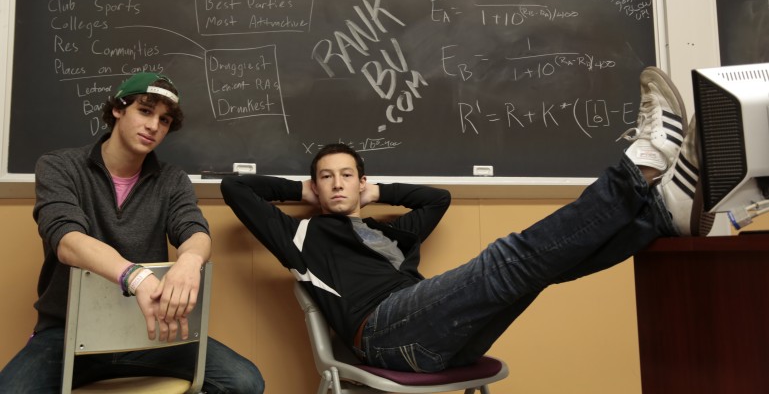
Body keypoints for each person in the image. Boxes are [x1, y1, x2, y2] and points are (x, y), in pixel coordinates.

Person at [220, 66, 710, 374]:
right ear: (315, 187)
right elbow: (235, 189)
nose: (337, 183)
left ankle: (660, 216)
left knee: (540, 270)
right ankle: (642, 168)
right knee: (508, 260)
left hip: (441, 339)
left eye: (347, 175)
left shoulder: (393, 233)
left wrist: (376, 193)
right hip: (385, 333)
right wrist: (304, 192)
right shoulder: (299, 235)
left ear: (362, 181)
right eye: (326, 178)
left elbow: (437, 199)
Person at [0, 72, 265, 393]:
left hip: (148, 329)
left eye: (164, 120)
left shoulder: (172, 180)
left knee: (244, 381)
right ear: (118, 109)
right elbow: (67, 241)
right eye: (145, 111)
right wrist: (135, 277)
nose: (154, 126)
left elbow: (193, 229)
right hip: (67, 331)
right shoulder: (60, 166)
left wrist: (190, 261)